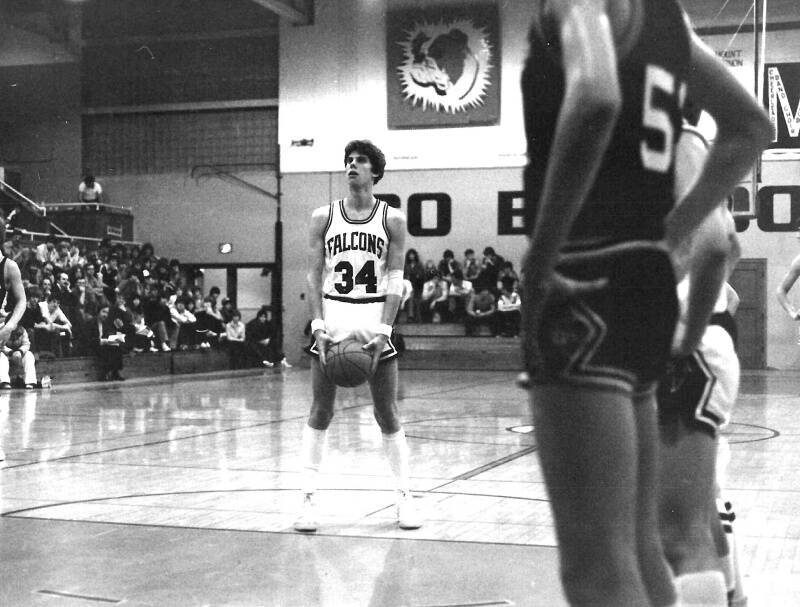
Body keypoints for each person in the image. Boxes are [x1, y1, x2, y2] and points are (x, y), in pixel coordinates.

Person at [519, 2, 772, 607]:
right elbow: (750, 129)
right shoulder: (668, 22)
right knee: (637, 546)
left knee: (597, 572)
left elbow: (597, 96)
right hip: (646, 290)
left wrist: (543, 253)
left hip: (586, 276)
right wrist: (668, 234)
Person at [296, 139, 421, 533]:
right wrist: (317, 325)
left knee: (387, 413)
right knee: (321, 411)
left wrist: (385, 329)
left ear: (375, 173)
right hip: (333, 314)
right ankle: (307, 499)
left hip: (373, 315)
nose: (352, 165)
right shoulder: (323, 216)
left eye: (361, 161)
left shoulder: (393, 220)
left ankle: (405, 498)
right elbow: (314, 276)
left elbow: (397, 277)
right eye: (349, 160)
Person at [657, 123, 747, 607]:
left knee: (676, 535)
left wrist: (686, 330)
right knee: (694, 514)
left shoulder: (677, 140)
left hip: (685, 350)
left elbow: (718, 243)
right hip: (693, 345)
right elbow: (728, 246)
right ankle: (735, 597)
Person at [85, 301, 125, 381]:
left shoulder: (107, 323)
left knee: (116, 347)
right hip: (92, 346)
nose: (105, 315)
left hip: (103, 344)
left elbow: (111, 334)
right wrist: (102, 341)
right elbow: (87, 339)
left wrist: (115, 339)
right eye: (103, 312)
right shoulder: (91, 322)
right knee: (105, 349)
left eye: (107, 312)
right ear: (98, 312)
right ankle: (103, 373)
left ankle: (115, 372)